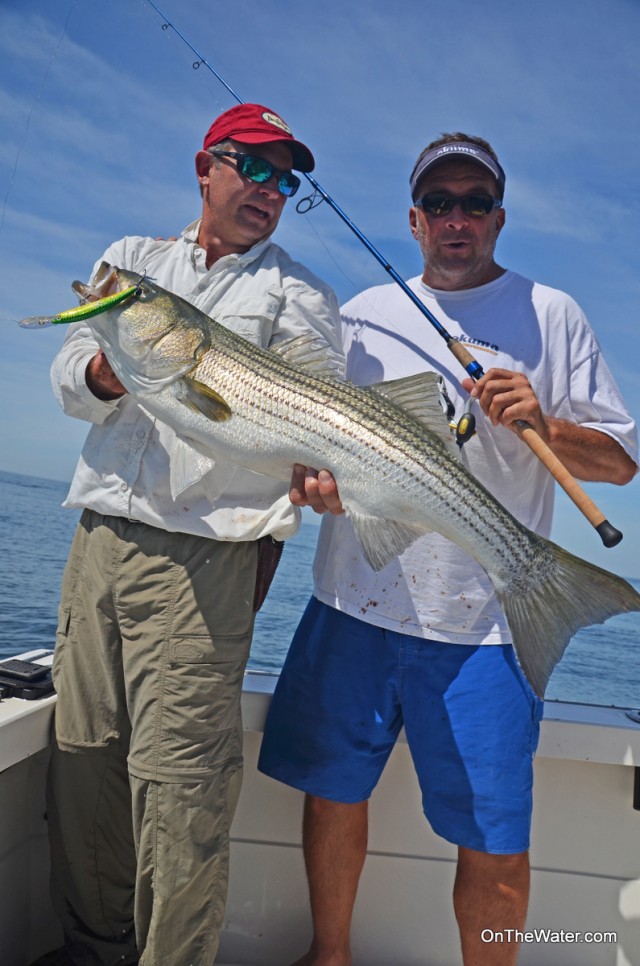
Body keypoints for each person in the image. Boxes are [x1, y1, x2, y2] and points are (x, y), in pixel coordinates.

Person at [258, 132, 638, 966]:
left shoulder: (552, 315)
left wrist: (546, 423)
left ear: (499, 217)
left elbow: (618, 462)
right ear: (414, 219)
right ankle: (330, 956)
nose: (456, 218)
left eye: (474, 203)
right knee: (330, 795)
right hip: (351, 602)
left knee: (497, 842)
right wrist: (311, 483)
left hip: (489, 627)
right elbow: (316, 447)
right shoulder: (358, 316)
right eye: (439, 204)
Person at [40, 103, 343, 966]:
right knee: (82, 761)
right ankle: (92, 948)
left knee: (179, 789)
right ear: (204, 167)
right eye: (253, 166)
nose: (269, 189)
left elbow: (317, 415)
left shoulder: (297, 293)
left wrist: (318, 477)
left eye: (286, 179)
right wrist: (106, 367)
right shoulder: (129, 264)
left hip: (205, 558)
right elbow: (66, 377)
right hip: (97, 540)